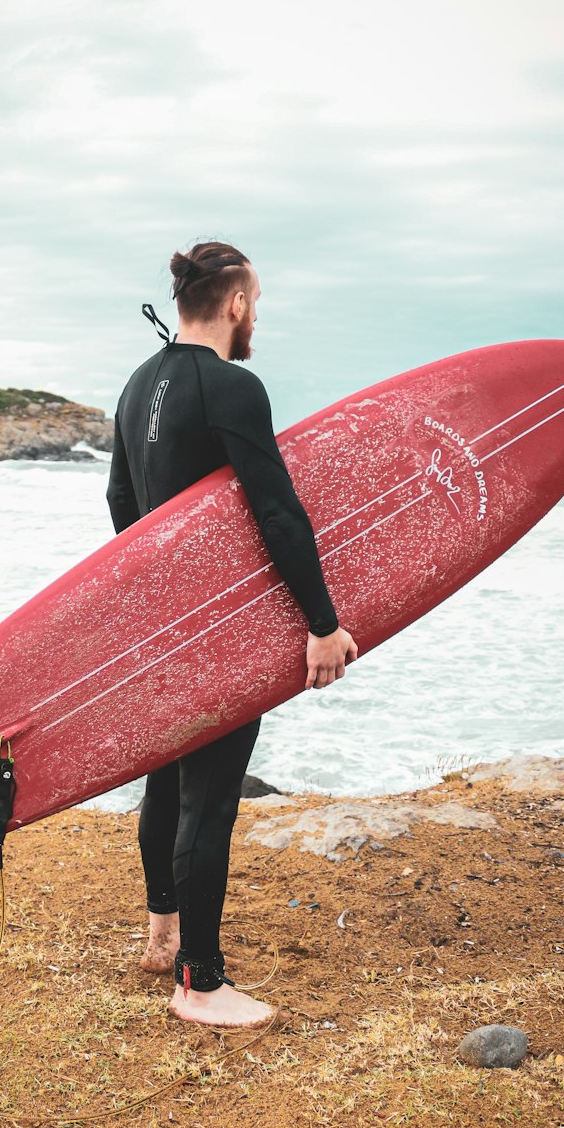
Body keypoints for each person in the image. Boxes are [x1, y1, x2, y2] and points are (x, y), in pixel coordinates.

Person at [106, 242, 357, 1028]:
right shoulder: (234, 386)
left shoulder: (135, 385)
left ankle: (162, 936)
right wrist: (322, 623)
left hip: (163, 624)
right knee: (210, 800)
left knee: (167, 778)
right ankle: (200, 984)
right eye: (259, 303)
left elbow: (121, 505)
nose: (259, 318)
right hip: (216, 628)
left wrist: (155, 598)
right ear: (238, 303)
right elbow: (278, 510)